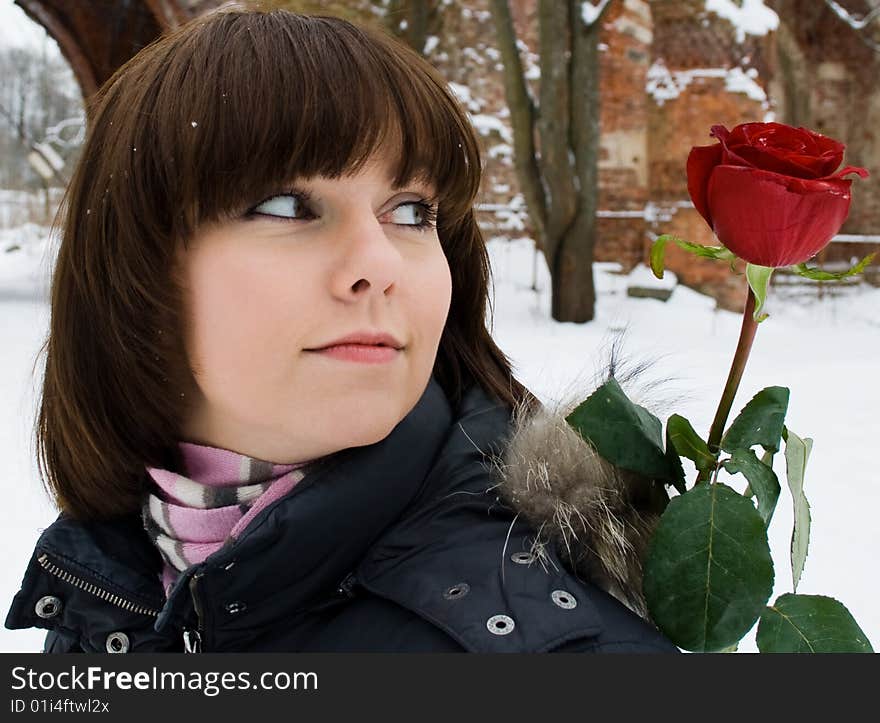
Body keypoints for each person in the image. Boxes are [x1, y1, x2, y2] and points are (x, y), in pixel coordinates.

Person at [5, 5, 679, 653]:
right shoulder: (102, 592)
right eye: (286, 205)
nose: (380, 264)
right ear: (136, 267)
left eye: (412, 210)